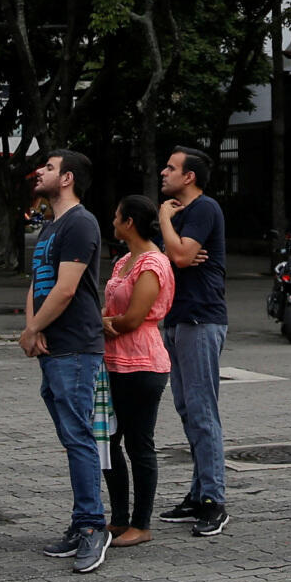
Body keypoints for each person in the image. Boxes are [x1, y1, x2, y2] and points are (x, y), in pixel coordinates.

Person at [24, 150, 110, 575]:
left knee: (78, 438)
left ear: (68, 178)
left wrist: (31, 330)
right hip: (53, 346)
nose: (40, 171)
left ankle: (94, 526)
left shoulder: (80, 223)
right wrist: (34, 327)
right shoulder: (50, 226)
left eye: (50, 168)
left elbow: (65, 290)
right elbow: (37, 284)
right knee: (71, 437)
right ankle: (82, 521)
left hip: (76, 347)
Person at [157, 145, 230, 537]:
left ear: (190, 177)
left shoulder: (203, 209)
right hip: (177, 318)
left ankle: (213, 500)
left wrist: (166, 222)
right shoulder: (177, 213)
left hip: (202, 318)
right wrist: (172, 244)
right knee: (187, 408)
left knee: (203, 410)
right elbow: (162, 256)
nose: (163, 172)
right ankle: (199, 490)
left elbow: (182, 256)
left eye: (171, 168)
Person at [101, 193, 175, 547]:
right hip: (113, 361)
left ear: (129, 222)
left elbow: (132, 319)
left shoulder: (153, 263)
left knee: (139, 443)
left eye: (117, 217)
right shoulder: (123, 262)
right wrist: (106, 323)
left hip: (143, 364)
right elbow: (113, 312)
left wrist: (103, 323)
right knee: (110, 440)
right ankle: (118, 518)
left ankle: (141, 523)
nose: (113, 222)